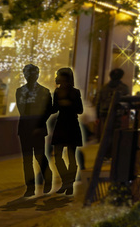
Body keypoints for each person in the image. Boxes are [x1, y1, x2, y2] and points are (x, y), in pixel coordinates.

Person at [14, 65, 52, 198]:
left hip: (38, 128)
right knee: (27, 159)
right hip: (25, 128)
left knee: (40, 156)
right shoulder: (20, 91)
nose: (30, 77)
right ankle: (30, 187)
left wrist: (39, 125)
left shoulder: (44, 91)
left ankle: (48, 179)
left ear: (37, 75)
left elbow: (48, 110)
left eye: (33, 74)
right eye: (28, 74)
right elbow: (21, 109)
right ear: (25, 75)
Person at [48, 67, 84, 196]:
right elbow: (54, 109)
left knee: (71, 156)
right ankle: (66, 182)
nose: (58, 77)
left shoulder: (75, 92)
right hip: (61, 124)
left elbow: (80, 110)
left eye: (59, 75)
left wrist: (68, 103)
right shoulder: (57, 91)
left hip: (71, 125)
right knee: (57, 156)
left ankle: (69, 185)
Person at [91, 68, 130, 145]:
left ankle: (105, 148)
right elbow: (126, 101)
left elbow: (98, 102)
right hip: (117, 112)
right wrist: (125, 113)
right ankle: (113, 147)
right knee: (115, 131)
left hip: (104, 112)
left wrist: (97, 116)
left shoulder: (104, 88)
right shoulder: (124, 88)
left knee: (106, 131)